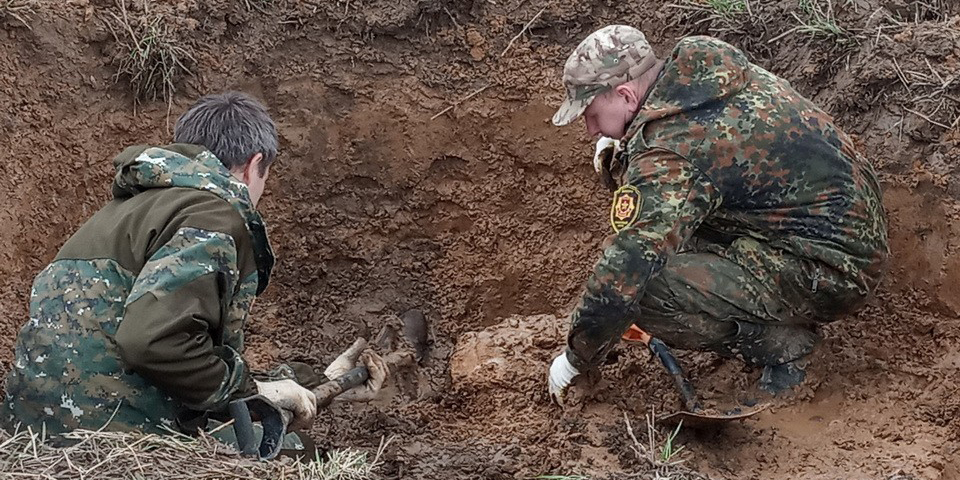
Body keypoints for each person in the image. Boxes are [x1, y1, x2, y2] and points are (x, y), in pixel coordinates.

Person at [1, 91, 386, 437]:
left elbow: (144, 358)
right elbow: (153, 343)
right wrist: (249, 391)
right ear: (254, 166)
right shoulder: (211, 216)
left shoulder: (123, 212)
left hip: (31, 433)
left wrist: (320, 382)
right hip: (116, 438)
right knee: (299, 451)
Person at [546, 26, 889, 401]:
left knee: (645, 292)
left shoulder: (673, 152)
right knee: (672, 234)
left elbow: (626, 269)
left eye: (592, 114)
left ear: (627, 94)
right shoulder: (702, 69)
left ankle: (787, 347)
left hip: (830, 271)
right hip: (846, 230)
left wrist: (577, 358)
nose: (590, 128)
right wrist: (626, 149)